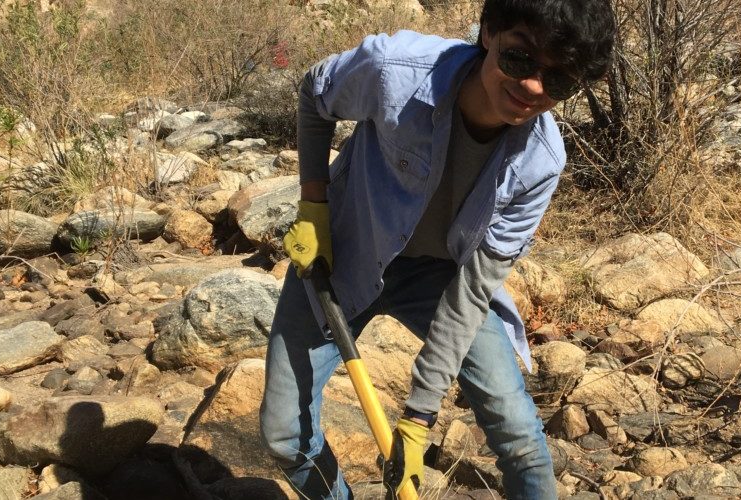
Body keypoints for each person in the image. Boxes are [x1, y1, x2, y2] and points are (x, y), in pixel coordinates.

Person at [258, 1, 617, 498]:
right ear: (489, 32)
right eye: (520, 59)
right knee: (283, 434)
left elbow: (472, 291)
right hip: (341, 253)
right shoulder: (395, 71)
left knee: (521, 439)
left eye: (559, 82)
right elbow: (313, 96)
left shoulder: (541, 163)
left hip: (443, 279)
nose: (534, 88)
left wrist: (418, 418)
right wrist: (313, 205)